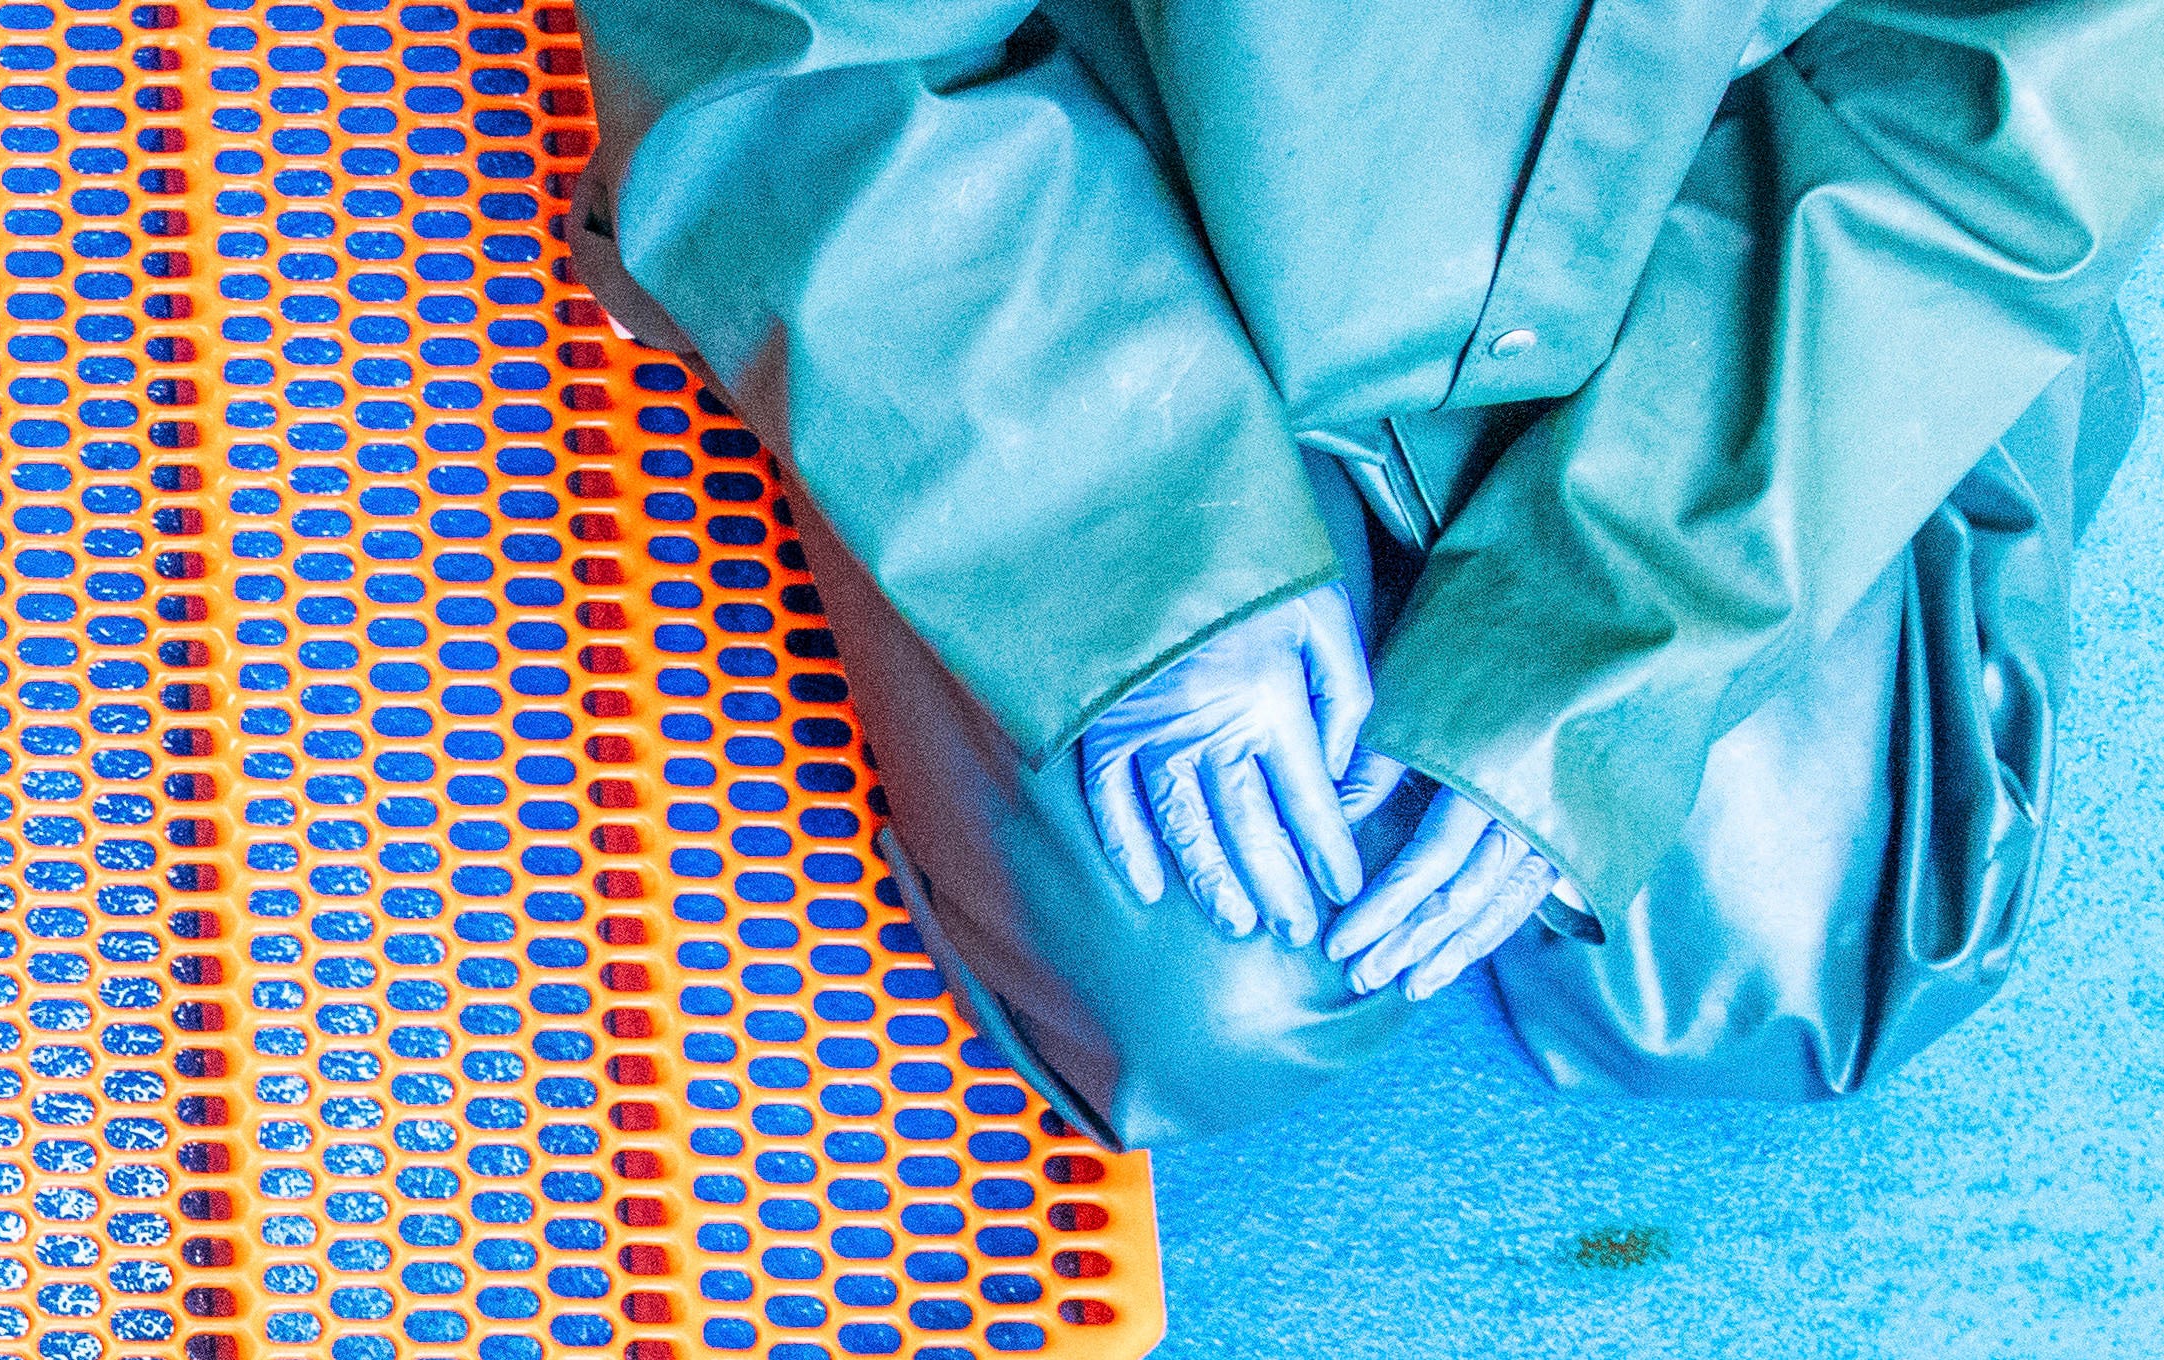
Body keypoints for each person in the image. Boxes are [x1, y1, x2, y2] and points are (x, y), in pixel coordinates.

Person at [576, 0, 2160, 1137]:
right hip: (1166, 177)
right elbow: (797, 51)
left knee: (1792, 976)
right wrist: (1140, 560)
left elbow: (2004, 112)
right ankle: (909, 392)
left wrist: (1619, 646)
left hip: (1713, 202)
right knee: (1222, 1008)